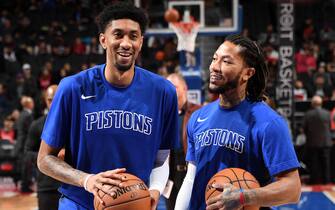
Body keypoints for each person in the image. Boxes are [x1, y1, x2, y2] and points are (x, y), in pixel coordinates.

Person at [37, 2, 179, 210]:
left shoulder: (164, 92)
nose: (126, 43)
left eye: (133, 36)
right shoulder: (72, 88)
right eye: (118, 34)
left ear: (141, 41)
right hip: (80, 203)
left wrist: (156, 189)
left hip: (135, 203)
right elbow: (45, 159)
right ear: (103, 40)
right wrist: (87, 180)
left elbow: (161, 159)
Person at [175, 34, 301, 210]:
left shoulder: (269, 123)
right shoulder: (198, 117)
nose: (215, 67)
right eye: (214, 59)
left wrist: (244, 197)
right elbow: (190, 178)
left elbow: (293, 189)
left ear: (247, 74)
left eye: (226, 62)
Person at [165, 73, 201, 210]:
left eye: (174, 87)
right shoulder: (164, 115)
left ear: (185, 88)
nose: (171, 91)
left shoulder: (198, 112)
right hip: (170, 175)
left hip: (191, 172)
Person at [25, 85, 62, 210]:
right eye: (50, 99)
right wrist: (48, 158)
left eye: (56, 98)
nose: (53, 103)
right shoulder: (36, 125)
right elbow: (27, 153)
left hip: (71, 186)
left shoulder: (76, 122)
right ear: (45, 100)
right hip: (47, 187)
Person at [303, 95, 332, 184]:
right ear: (321, 103)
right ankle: (326, 181)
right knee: (326, 164)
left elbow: (304, 128)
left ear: (312, 103)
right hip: (325, 142)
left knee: (314, 164)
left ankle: (314, 182)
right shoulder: (327, 113)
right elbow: (330, 127)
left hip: (312, 142)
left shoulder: (308, 114)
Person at [15, 95, 35, 192]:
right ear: (28, 104)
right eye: (31, 102)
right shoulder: (27, 115)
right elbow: (31, 130)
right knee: (26, 166)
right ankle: (25, 186)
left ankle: (24, 184)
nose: (33, 104)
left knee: (24, 165)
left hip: (20, 142)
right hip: (24, 143)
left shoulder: (21, 114)